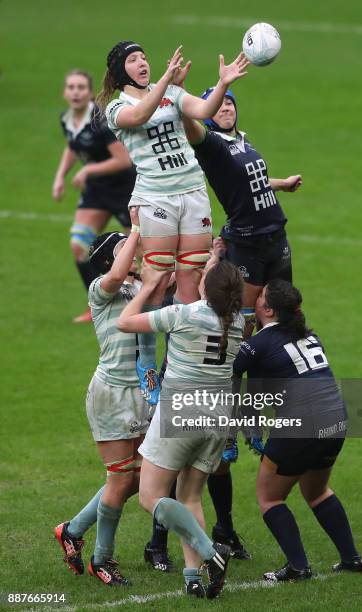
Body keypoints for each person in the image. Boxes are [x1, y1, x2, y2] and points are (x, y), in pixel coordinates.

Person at [180, 82, 302, 550]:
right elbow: (194, 123)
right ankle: (239, 415)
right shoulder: (207, 141)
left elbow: (247, 183)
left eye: (230, 103)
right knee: (244, 328)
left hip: (274, 236)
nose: (227, 108)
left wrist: (280, 185)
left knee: (286, 318)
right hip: (247, 242)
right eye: (220, 105)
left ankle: (276, 402)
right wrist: (210, 86)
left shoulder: (242, 140)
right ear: (210, 114)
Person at [97, 40, 248, 403]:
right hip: (156, 198)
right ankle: (148, 362)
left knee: (190, 279)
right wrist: (166, 81)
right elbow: (140, 117)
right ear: (121, 72)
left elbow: (202, 109)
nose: (142, 63)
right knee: (155, 279)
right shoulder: (117, 107)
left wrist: (223, 83)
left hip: (192, 193)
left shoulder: (171, 91)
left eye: (143, 57)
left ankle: (182, 362)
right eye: (133, 60)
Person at [117, 254, 244, 599]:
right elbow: (217, 289)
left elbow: (125, 323)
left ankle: (210, 554)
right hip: (217, 419)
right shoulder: (236, 323)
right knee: (190, 497)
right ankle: (192, 577)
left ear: (208, 287)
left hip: (181, 413)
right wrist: (217, 259)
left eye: (204, 275)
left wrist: (147, 287)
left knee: (151, 496)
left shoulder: (185, 314)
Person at [233, 279, 362, 581]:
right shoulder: (309, 335)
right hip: (336, 419)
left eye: (260, 295)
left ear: (267, 308)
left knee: (269, 497)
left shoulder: (258, 343)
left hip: (301, 424)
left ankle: (297, 567)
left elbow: (230, 369)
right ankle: (351, 558)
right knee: (316, 492)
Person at [54, 208, 151, 586]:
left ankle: (73, 530)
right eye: (127, 247)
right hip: (111, 394)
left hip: (139, 392)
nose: (136, 249)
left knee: (140, 478)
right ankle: (101, 560)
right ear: (114, 257)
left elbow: (166, 278)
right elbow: (114, 274)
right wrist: (137, 228)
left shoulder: (137, 287)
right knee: (120, 478)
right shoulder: (101, 289)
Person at [52, 69, 136, 322]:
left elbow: (124, 159)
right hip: (97, 191)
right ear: (65, 92)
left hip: (124, 189)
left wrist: (88, 169)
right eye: (71, 87)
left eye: (80, 87)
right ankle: (96, 305)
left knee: (137, 252)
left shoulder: (99, 120)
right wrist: (60, 177)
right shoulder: (67, 118)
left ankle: (138, 302)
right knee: (78, 244)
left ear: (89, 93)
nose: (75, 92)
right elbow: (73, 146)